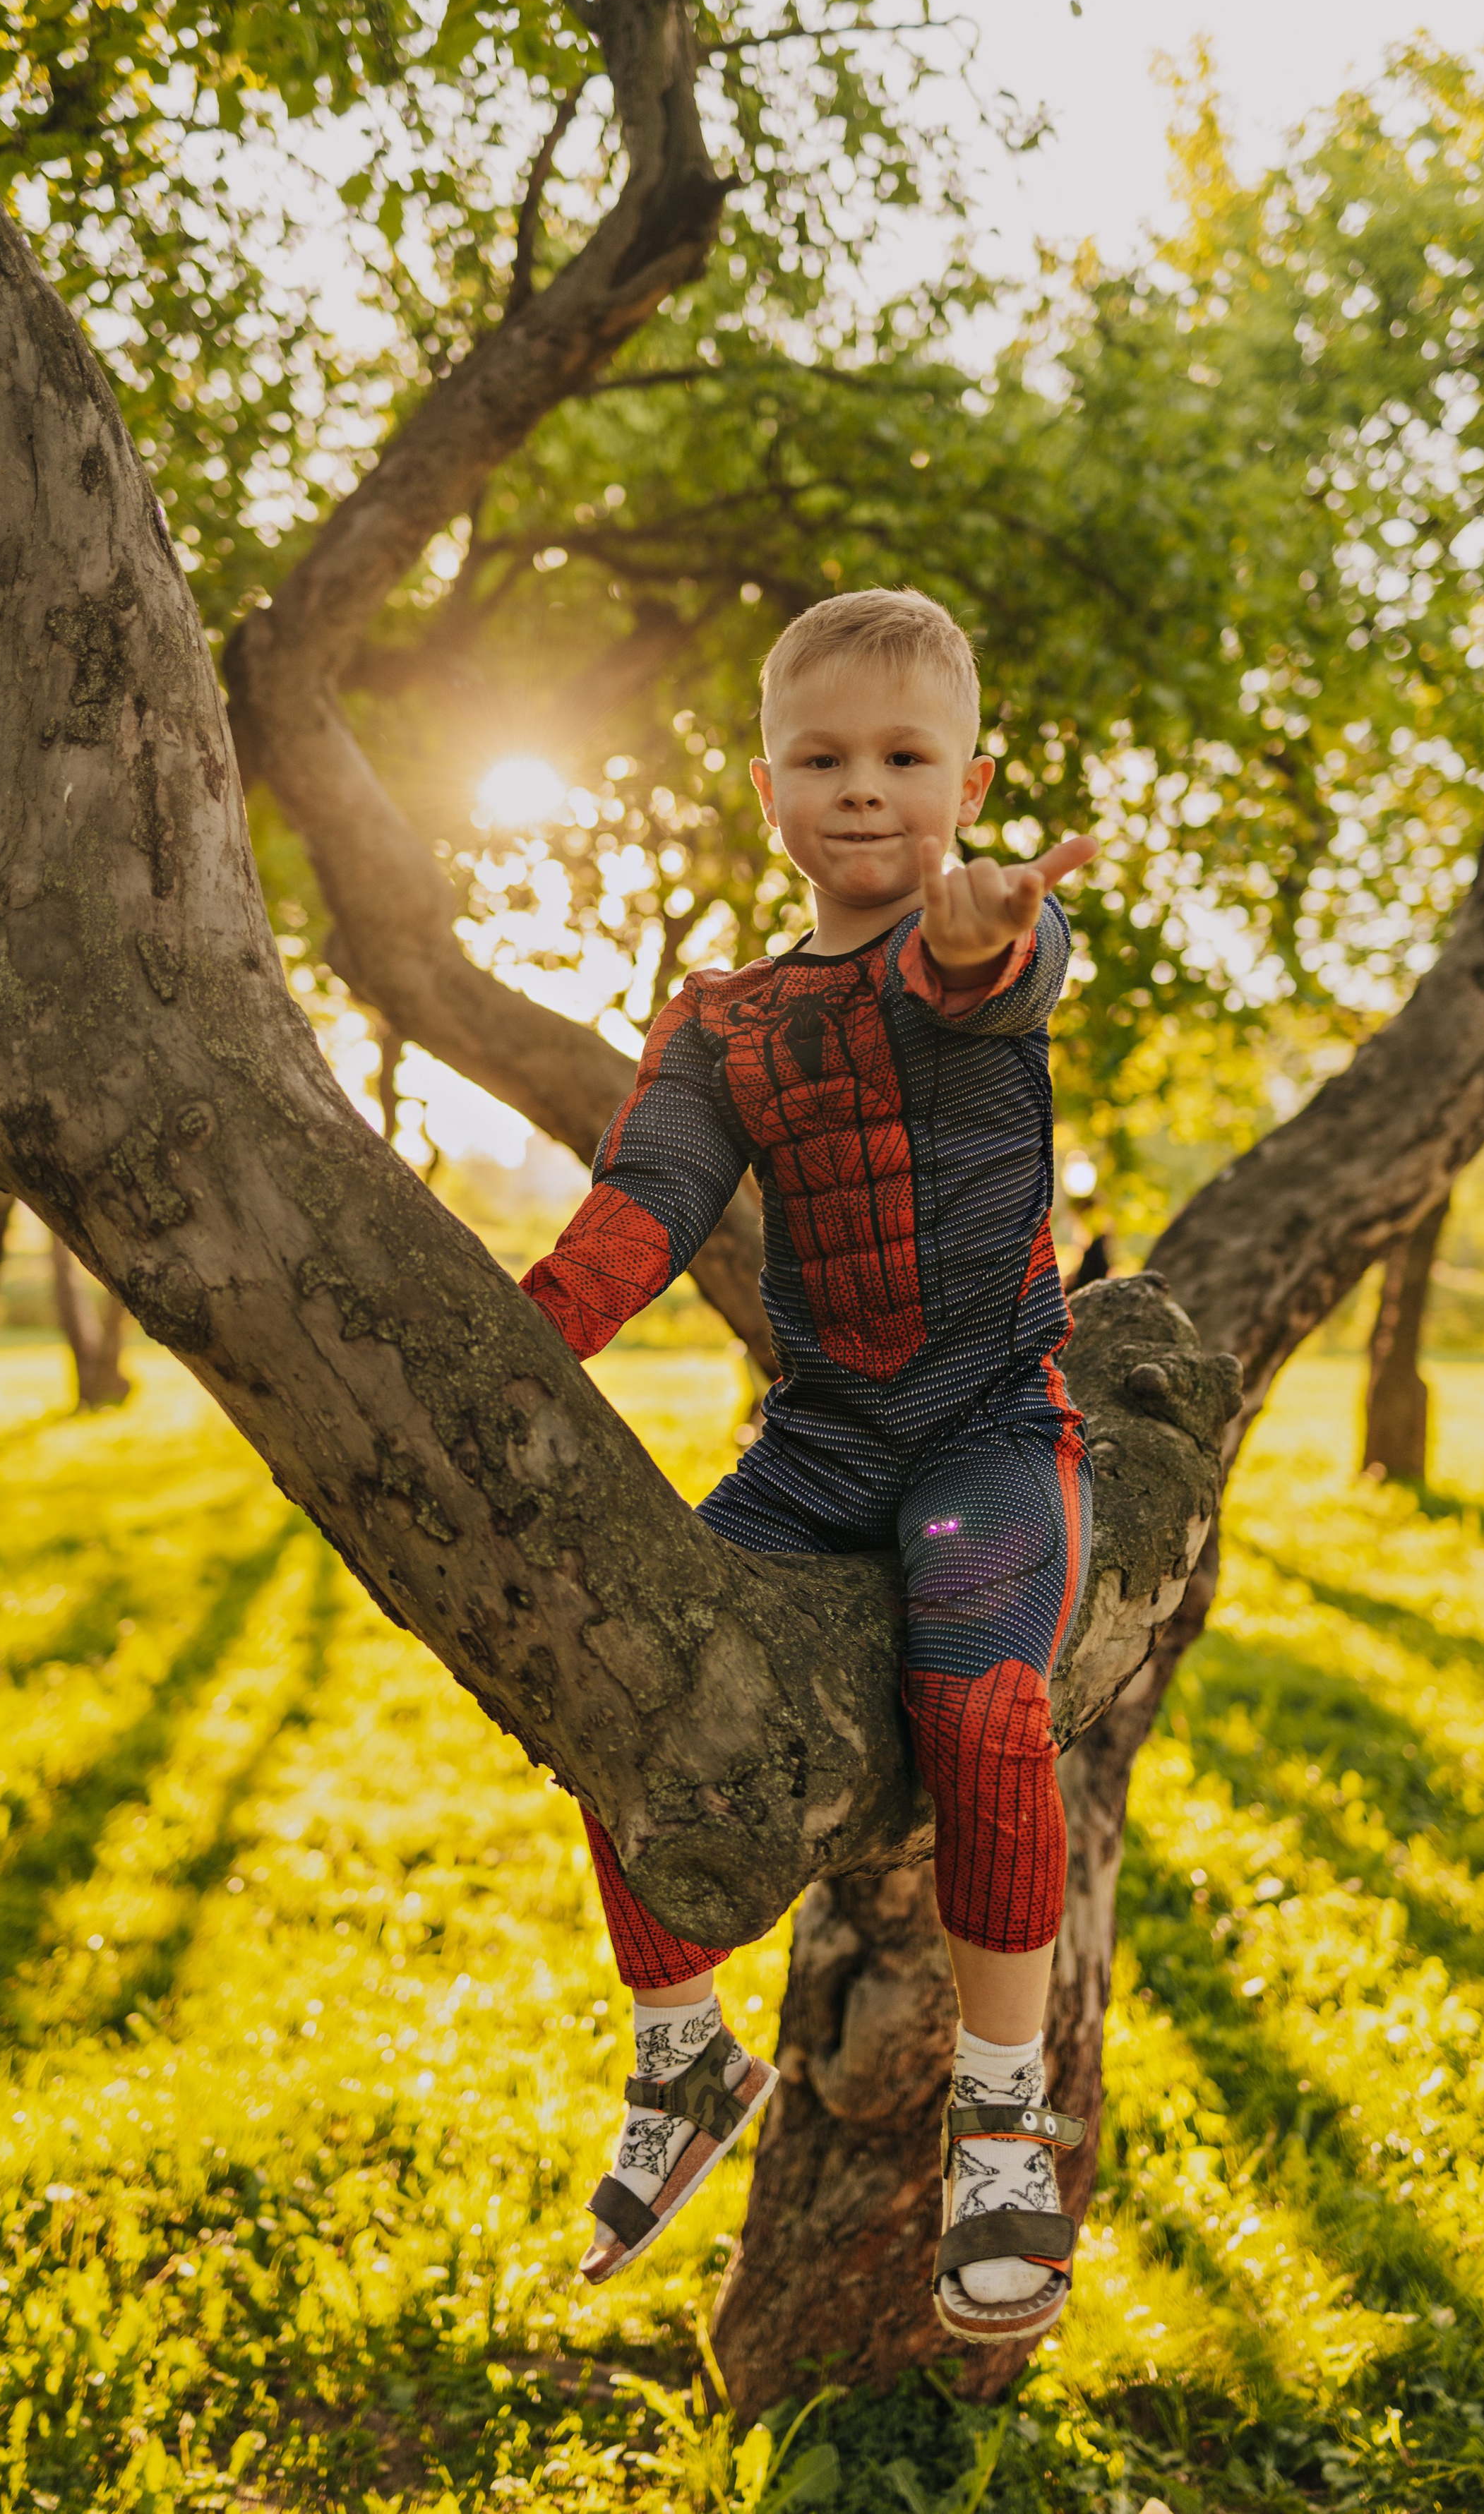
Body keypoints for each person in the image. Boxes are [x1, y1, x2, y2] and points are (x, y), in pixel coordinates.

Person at [521, 588, 1098, 2344]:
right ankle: (686, 2056)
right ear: (765, 788)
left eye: (905, 758)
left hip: (988, 1432)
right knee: (623, 1677)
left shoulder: (987, 944)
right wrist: (511, 1345)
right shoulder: (719, 1019)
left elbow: (977, 967)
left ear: (971, 778)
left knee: (978, 1706)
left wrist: (995, 923)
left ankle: (1001, 2130)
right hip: (821, 1447)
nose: (864, 790)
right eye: (824, 758)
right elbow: (649, 1206)